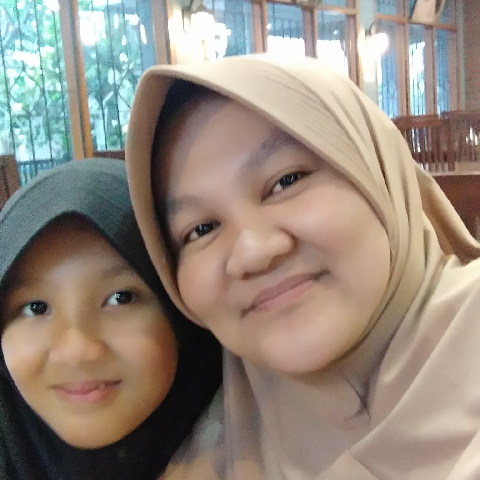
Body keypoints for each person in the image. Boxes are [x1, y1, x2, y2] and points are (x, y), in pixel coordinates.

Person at [125, 54, 480, 480]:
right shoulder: (207, 455)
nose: (254, 252)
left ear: (378, 174)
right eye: (200, 229)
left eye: (286, 181)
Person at [0, 158, 223, 480]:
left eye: (121, 298)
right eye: (35, 308)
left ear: (179, 311)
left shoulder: (264, 452)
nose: (76, 351)